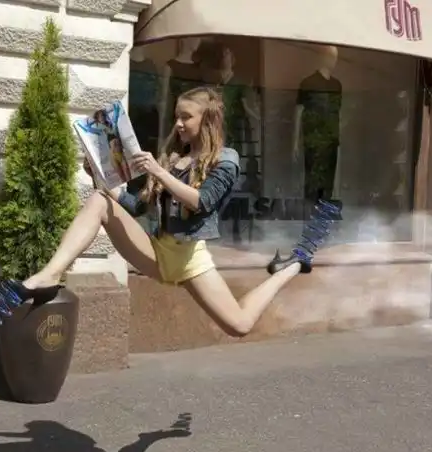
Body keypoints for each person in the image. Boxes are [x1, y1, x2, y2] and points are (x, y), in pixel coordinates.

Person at [22, 86, 314, 338]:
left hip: (189, 258)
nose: (178, 124)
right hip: (156, 250)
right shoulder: (174, 160)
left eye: (186, 117)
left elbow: (202, 202)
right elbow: (137, 206)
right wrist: (100, 176)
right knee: (100, 200)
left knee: (240, 326)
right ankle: (50, 275)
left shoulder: (226, 160)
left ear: (208, 119)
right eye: (177, 116)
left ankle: (289, 268)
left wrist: (159, 172)